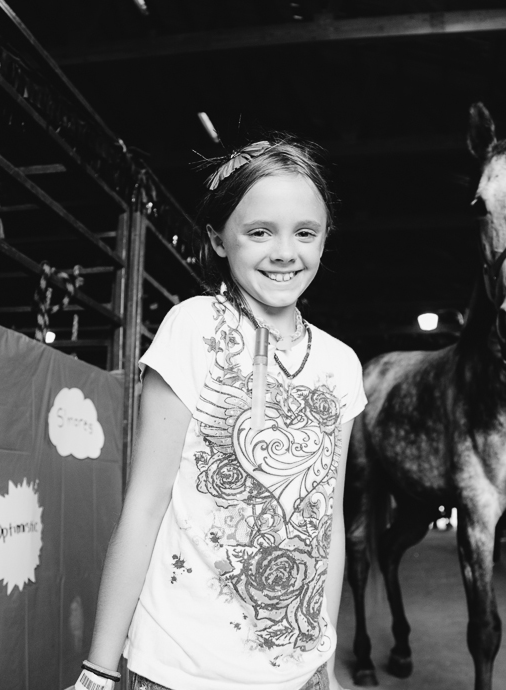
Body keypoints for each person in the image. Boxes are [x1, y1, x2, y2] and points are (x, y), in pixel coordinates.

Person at [73, 138, 366, 690]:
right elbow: (145, 504)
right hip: (181, 671)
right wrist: (98, 670)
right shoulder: (194, 327)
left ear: (325, 239)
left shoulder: (341, 365)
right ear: (217, 238)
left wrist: (323, 659)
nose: (285, 251)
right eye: (259, 232)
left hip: (296, 676)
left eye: (305, 232)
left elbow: (328, 522)